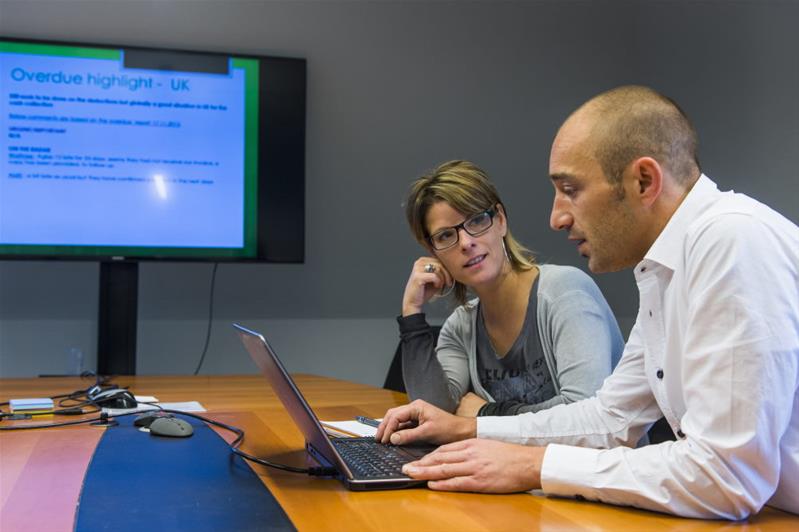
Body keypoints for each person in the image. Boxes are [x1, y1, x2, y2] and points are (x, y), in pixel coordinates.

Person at [376, 86, 799, 520]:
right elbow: (609, 418)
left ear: (644, 181)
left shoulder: (731, 240)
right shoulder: (665, 271)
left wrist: (536, 466)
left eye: (570, 189)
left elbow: (727, 476)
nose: (556, 217)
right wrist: (470, 428)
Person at [398, 160, 624, 418]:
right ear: (433, 252)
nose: (466, 242)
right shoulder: (461, 328)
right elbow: (434, 414)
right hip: (518, 459)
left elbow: (585, 414)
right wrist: (412, 313)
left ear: (501, 220)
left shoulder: (564, 292)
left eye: (476, 221)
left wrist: (485, 413)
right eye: (446, 236)